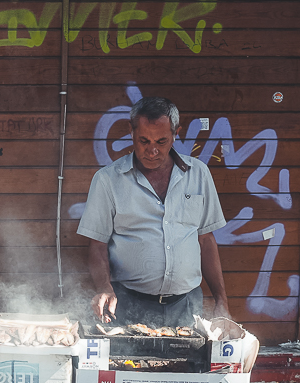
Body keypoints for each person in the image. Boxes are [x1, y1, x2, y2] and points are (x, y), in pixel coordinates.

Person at [77, 96, 232, 327]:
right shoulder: (107, 180)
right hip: (128, 305)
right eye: (143, 141)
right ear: (130, 132)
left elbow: (206, 240)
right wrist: (104, 288)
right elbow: (97, 244)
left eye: (161, 141)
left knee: (189, 363)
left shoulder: (198, 174)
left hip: (187, 306)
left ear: (176, 133)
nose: (152, 151)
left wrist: (222, 301)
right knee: (128, 364)